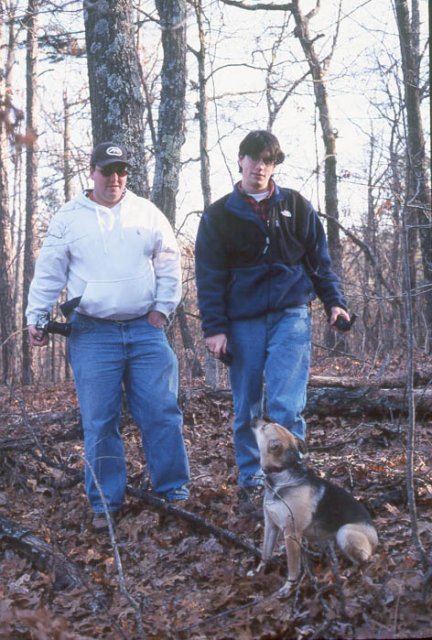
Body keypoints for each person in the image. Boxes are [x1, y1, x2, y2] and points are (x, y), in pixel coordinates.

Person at [26, 141, 190, 530]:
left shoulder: (147, 213)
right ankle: (105, 502)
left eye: (121, 170)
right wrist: (37, 313)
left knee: (162, 410)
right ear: (92, 171)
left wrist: (162, 309)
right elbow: (50, 270)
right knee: (100, 420)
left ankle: (174, 490)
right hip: (92, 332)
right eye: (106, 170)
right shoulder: (69, 218)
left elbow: (169, 262)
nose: (114, 178)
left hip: (144, 329)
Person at [195, 130, 350, 505]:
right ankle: (251, 480)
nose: (259, 166)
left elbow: (318, 262)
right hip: (242, 320)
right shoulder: (219, 215)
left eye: (268, 160)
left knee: (285, 404)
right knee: (247, 405)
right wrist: (215, 328)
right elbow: (210, 276)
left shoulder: (296, 206)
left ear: (274, 164)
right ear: (240, 161)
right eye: (253, 158)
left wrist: (335, 302)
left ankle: (292, 481)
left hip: (290, 314)